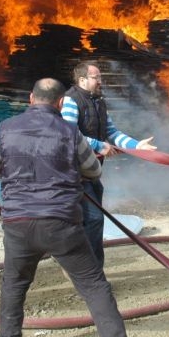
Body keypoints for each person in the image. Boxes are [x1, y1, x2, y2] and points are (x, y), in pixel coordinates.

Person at [0, 78, 145, 337]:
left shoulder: (5, 128)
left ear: (31, 98)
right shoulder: (69, 131)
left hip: (19, 223)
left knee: (14, 282)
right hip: (62, 223)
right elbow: (93, 171)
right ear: (60, 103)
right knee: (94, 286)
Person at [62, 61, 156, 269]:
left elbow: (112, 133)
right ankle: (91, 270)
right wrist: (98, 145)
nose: (100, 81)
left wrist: (136, 145)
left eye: (100, 77)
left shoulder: (97, 102)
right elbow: (68, 134)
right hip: (73, 175)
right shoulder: (71, 100)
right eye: (96, 77)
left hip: (91, 172)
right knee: (93, 219)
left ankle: (85, 267)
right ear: (82, 80)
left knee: (89, 221)